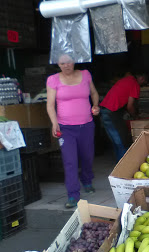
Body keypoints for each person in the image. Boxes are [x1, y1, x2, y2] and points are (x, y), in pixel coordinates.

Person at [46, 54, 100, 208]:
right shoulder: (53, 80)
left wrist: (95, 105)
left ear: (74, 61)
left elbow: (94, 93)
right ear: (58, 63)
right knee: (70, 161)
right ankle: (73, 195)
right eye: (62, 63)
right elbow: (50, 104)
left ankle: (87, 180)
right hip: (65, 127)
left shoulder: (85, 75)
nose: (66, 66)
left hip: (86, 125)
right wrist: (54, 123)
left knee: (87, 156)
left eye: (69, 62)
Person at [100, 72, 149, 161]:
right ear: (142, 79)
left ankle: (119, 165)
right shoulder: (134, 84)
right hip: (112, 112)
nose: (141, 87)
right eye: (144, 84)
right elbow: (130, 106)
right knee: (122, 141)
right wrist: (135, 116)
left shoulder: (127, 79)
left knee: (116, 142)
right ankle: (124, 166)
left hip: (104, 111)